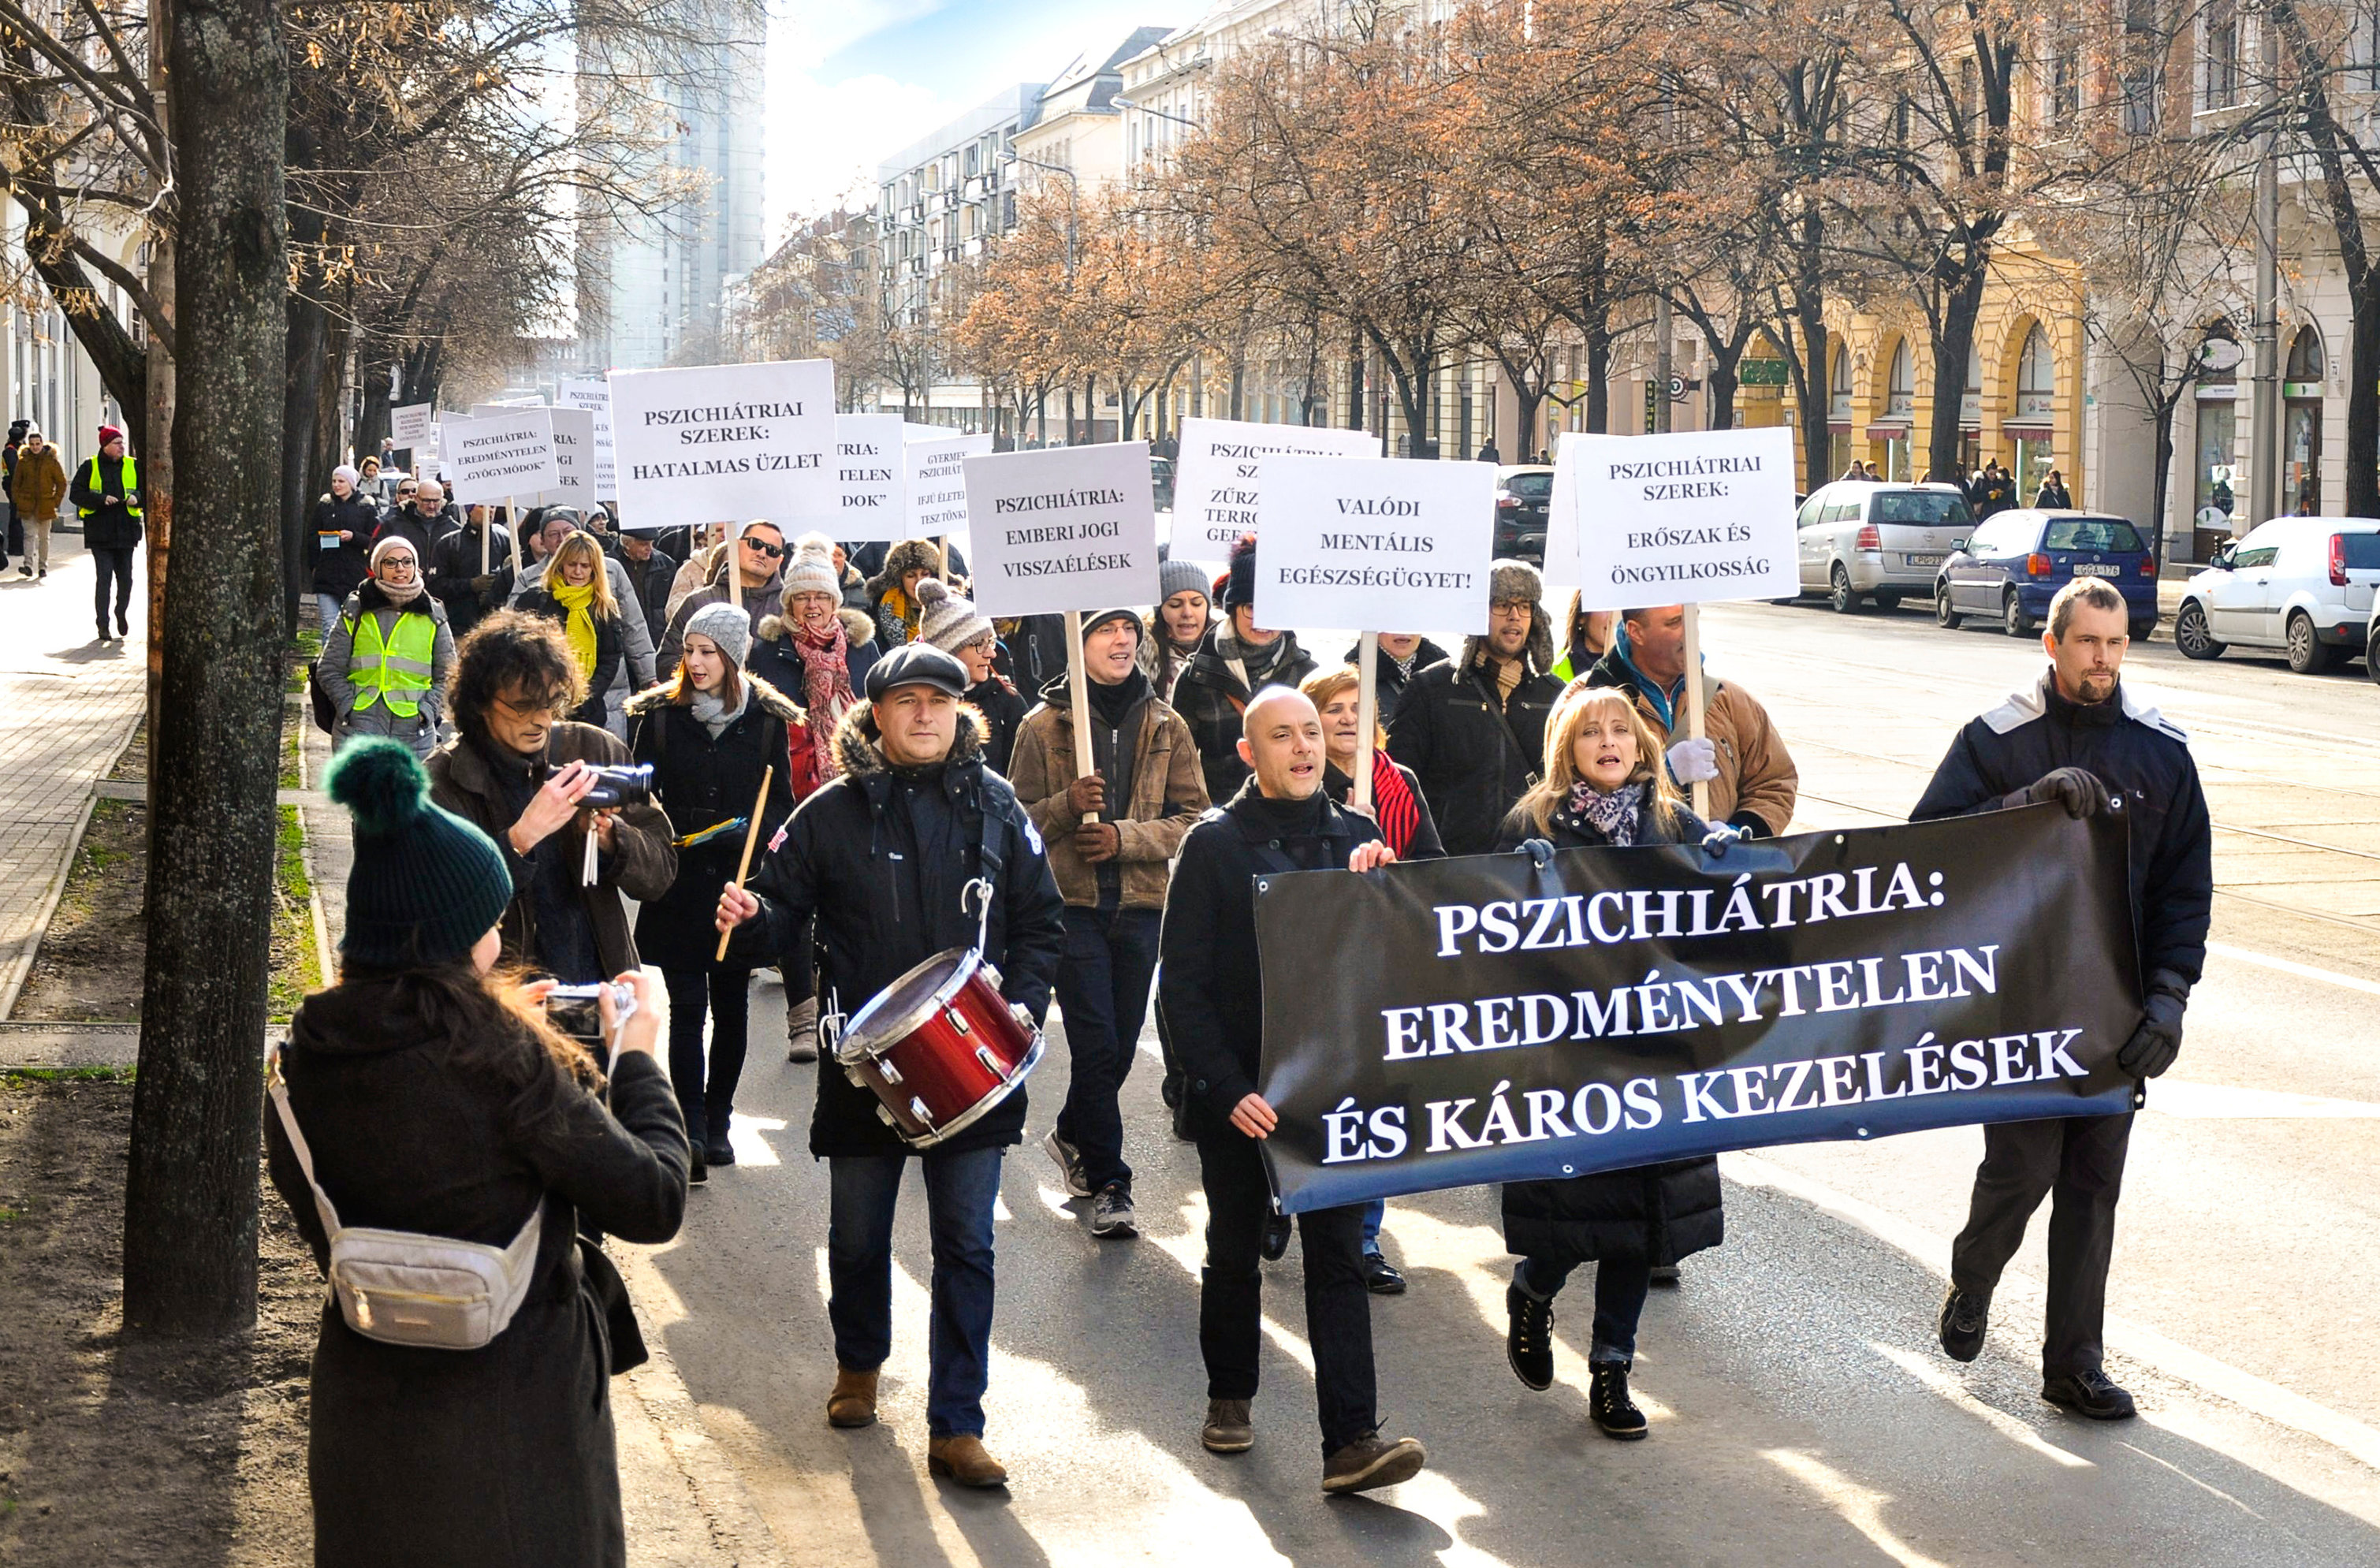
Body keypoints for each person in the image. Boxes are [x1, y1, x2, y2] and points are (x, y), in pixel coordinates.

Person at [266, 737, 687, 1568]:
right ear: (454, 937)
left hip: (366, 1424)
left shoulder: (305, 1061)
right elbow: (653, 1198)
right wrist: (638, 1057)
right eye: (489, 921)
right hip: (515, 1425)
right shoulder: (503, 1065)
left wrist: (498, 1024)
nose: (500, 934)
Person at [714, 643, 1065, 1489]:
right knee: (858, 1237)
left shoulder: (996, 804)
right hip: (862, 1066)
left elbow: (1041, 922)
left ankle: (958, 1423)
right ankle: (859, 1365)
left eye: (938, 701)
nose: (924, 714)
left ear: (959, 711)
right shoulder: (828, 812)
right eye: (906, 701)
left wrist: (1019, 1006)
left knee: (967, 1244)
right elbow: (778, 911)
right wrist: (750, 914)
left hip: (973, 1061)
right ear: (876, 715)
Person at [1916, 575, 2210, 1421]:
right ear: (2052, 645)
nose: (2102, 660)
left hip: (2115, 1008)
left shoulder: (2160, 754)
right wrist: (2024, 803)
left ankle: (2073, 1365)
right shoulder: (1995, 739)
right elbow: (1926, 851)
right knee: (2023, 1169)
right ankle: (1974, 1276)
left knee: (2091, 1183)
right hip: (2018, 1004)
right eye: (2087, 642)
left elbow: (2184, 890)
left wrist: (2168, 999)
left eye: (2115, 644)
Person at [1160, 685, 1427, 1492]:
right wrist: (1221, 1086)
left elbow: (1398, 968)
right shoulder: (1213, 845)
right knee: (1234, 1251)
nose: (1305, 746)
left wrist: (1388, 893)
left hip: (1332, 1097)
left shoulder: (1358, 836)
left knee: (1337, 1258)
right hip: (1243, 1097)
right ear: (1250, 752)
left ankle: (1351, 1440)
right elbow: (1183, 987)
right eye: (1282, 735)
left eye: (1310, 731)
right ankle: (1230, 1396)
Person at [1495, 684, 1730, 1440]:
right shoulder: (1533, 823)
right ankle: (1533, 1289)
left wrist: (1728, 859)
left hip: (1656, 1055)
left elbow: (1724, 923)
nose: (1607, 741)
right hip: (1569, 1061)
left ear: (1641, 744)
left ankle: (1610, 1368)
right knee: (1568, 1222)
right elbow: (1485, 936)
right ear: (1566, 748)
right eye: (1590, 731)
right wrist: (1515, 879)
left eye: (1620, 729)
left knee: (1637, 1224)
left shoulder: (1674, 820)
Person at [1010, 608, 1207, 1239]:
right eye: (1104, 629)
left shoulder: (1167, 723)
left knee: (1119, 1048)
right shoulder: (1042, 726)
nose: (1121, 639)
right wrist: (1067, 805)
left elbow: (1194, 818)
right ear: (1079, 641)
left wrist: (1125, 838)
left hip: (1142, 905)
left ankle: (1072, 1132)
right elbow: (1014, 823)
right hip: (1072, 907)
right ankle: (1110, 1182)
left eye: (1128, 629)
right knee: (1096, 1045)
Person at [626, 602, 801, 1185]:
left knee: (730, 1008)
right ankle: (691, 1126)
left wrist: (751, 834)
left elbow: (780, 801)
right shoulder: (659, 716)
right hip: (678, 881)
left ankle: (720, 1118)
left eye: (708, 652)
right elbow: (638, 795)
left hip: (735, 884)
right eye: (689, 650)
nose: (696, 662)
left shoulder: (767, 721)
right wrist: (659, 832)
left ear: (733, 656)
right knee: (686, 1009)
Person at [428, 610, 676, 985]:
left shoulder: (594, 749)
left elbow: (661, 874)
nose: (542, 719)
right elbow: (437, 910)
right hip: (501, 1002)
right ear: (479, 702)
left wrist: (612, 837)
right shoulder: (442, 783)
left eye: (551, 702)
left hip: (599, 994)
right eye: (523, 705)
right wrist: (519, 840)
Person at [1305, 664, 1441, 1295]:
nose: (1346, 718)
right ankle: (1282, 1199)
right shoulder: (1297, 781)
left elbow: (1432, 865)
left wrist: (1383, 851)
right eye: (1333, 707)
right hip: (1314, 969)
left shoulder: (1399, 782)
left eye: (1357, 707)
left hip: (1382, 967)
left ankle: (1362, 1237)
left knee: (1374, 1101)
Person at [1386, 557, 1562, 857]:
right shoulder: (1432, 688)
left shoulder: (1555, 695)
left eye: (1524, 606)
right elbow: (1397, 783)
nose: (1515, 616)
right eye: (1502, 604)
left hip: (1530, 863)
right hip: (1450, 864)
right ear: (1479, 612)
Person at [1585, 605, 1799, 840]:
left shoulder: (1729, 699)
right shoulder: (1585, 702)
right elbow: (1569, 793)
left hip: (1720, 862)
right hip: (1636, 861)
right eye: (1674, 622)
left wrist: (1739, 832)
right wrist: (1664, 774)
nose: (1691, 631)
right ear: (1636, 632)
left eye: (1692, 618)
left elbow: (1774, 783)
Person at [1172, 534, 1319, 803]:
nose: (1263, 620)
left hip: (1293, 814)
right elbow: (1179, 767)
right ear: (1232, 608)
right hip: (1220, 816)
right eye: (1252, 607)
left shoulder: (1308, 676)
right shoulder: (1196, 676)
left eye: (1274, 608)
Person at [317, 536, 456, 758]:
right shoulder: (356, 609)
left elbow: (449, 675)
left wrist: (426, 711)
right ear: (377, 568)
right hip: (358, 728)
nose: (400, 568)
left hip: (414, 734)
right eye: (390, 562)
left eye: (407, 561)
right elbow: (329, 669)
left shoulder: (433, 613)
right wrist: (349, 707)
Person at [915, 577, 1026, 774]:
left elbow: (1023, 777)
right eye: (979, 644)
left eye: (990, 642)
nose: (991, 654)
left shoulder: (1007, 699)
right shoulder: (917, 705)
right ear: (948, 651)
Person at [517, 531, 628, 730]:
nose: (578, 572)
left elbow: (610, 658)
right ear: (561, 564)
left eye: (585, 566)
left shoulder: (604, 607)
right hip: (538, 705)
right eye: (572, 564)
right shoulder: (536, 598)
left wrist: (586, 695)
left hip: (586, 712)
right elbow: (518, 649)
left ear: (595, 569)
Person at [662, 520, 784, 672]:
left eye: (772, 550)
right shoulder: (698, 603)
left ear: (780, 560)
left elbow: (795, 668)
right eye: (755, 544)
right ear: (736, 545)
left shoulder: (789, 608)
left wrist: (755, 650)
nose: (762, 553)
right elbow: (667, 662)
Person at [70, 423, 141, 643]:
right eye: (117, 443)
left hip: (126, 533)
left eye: (122, 443)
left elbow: (148, 490)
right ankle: (103, 624)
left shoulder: (133, 465)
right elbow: (76, 494)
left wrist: (137, 497)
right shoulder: (89, 466)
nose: (122, 447)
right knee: (104, 578)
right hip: (100, 533)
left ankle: (121, 611)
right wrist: (101, 499)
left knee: (126, 579)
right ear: (105, 446)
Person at [309, 464, 379, 631]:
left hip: (354, 574)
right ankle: (328, 650)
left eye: (341, 481)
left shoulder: (366, 507)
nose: (336, 485)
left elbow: (374, 541)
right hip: (327, 574)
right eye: (334, 481)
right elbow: (312, 538)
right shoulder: (325, 505)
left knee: (352, 624)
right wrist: (314, 565)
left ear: (351, 484)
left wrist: (354, 537)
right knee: (329, 624)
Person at [427, 505, 513, 640]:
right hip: (459, 628)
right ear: (470, 511)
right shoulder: (449, 543)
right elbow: (435, 587)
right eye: (482, 506)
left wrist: (494, 594)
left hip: (494, 630)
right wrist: (470, 585)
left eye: (492, 506)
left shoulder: (504, 541)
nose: (489, 510)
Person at [1140, 558, 1213, 702]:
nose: (1187, 613)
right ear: (1160, 611)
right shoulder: (1140, 658)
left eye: (1196, 603)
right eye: (1175, 605)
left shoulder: (1228, 650)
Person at [1341, 631, 1451, 718]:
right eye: (1392, 624)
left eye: (1411, 624)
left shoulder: (1449, 676)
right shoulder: (1354, 677)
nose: (1403, 632)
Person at [863, 537, 944, 648]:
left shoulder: (946, 609)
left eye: (925, 574)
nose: (919, 581)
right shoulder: (879, 611)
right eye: (911, 576)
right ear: (900, 579)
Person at [9, 424, 66, 581]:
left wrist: (56, 501)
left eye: (37, 444)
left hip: (46, 505)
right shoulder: (23, 462)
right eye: (32, 444)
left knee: (44, 538)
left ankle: (42, 567)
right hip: (27, 505)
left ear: (42, 444)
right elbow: (16, 483)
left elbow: (61, 483)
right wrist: (18, 499)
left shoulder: (51, 461)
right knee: (29, 536)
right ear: (29, 445)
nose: (35, 447)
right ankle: (28, 565)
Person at [616, 528, 680, 647]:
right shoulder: (609, 566)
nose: (649, 548)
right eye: (643, 544)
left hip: (657, 638)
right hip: (622, 637)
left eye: (651, 543)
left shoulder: (666, 565)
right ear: (627, 544)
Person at [1550, 590, 1616, 683]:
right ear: (1582, 616)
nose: (1613, 617)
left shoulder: (1632, 669)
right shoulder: (1554, 669)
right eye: (1606, 607)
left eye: (1620, 610)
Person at [374, 479, 445, 559]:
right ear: (416, 499)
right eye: (426, 501)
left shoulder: (451, 527)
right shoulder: (391, 526)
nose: (431, 506)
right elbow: (375, 558)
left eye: (436, 501)